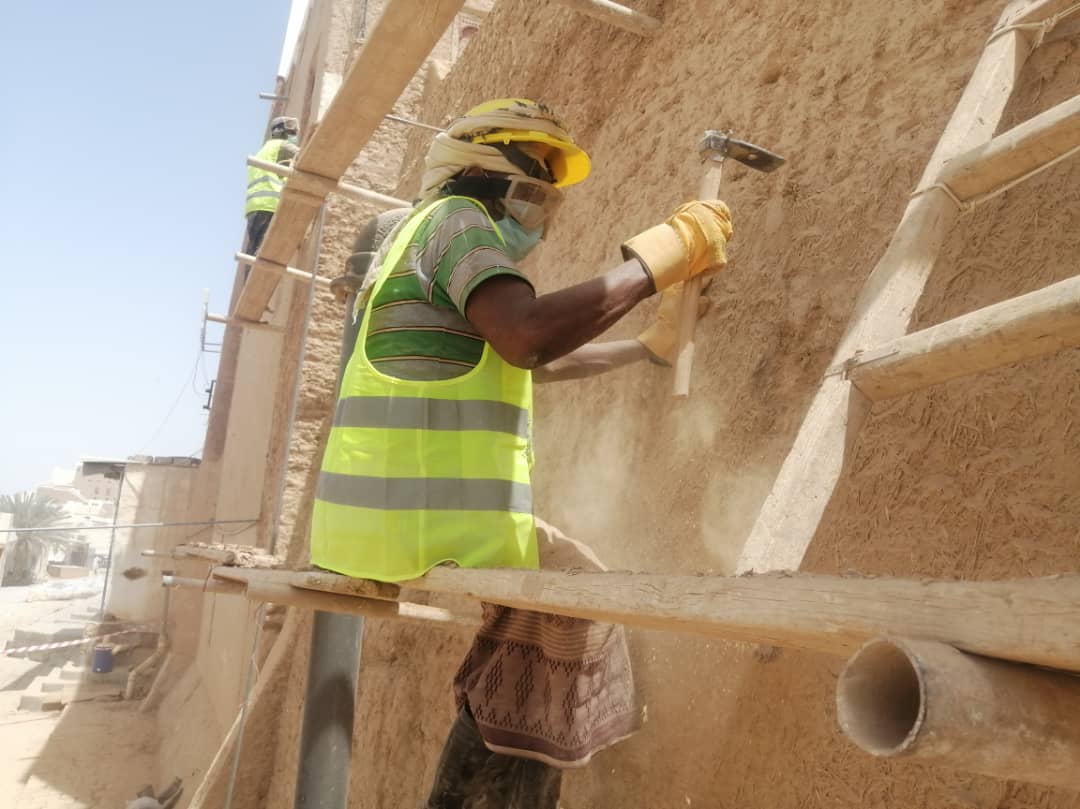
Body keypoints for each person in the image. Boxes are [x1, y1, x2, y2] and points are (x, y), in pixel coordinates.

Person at [311, 98, 732, 808]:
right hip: (429, 523)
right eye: (531, 183)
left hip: (392, 521)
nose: (539, 208)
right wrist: (660, 258)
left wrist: (646, 348)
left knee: (560, 601)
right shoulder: (455, 222)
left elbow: (525, 360)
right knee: (571, 608)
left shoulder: (419, 243)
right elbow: (528, 335)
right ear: (477, 169)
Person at [244, 116, 300, 257]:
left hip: (255, 207)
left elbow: (279, 175)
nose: (293, 137)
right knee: (261, 254)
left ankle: (250, 278)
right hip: (268, 205)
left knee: (254, 252)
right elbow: (304, 156)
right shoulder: (280, 145)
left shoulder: (264, 151)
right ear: (280, 131)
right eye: (291, 133)